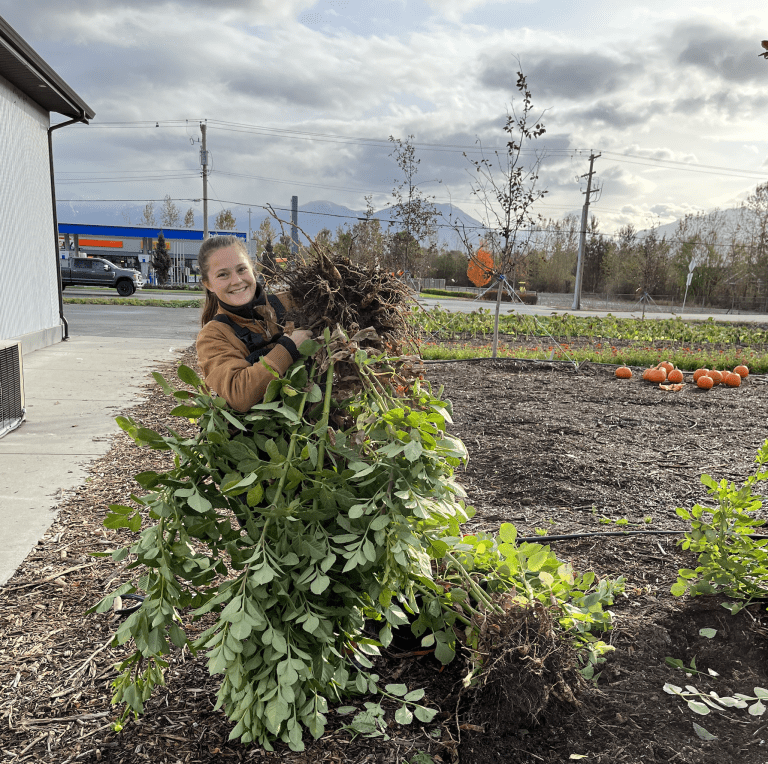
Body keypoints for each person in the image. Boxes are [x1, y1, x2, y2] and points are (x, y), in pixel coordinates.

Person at [195, 235, 313, 412]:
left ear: (253, 269)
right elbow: (239, 394)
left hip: (315, 430)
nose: (236, 280)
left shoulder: (290, 303)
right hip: (259, 437)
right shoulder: (213, 335)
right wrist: (288, 348)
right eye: (223, 274)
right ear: (208, 284)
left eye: (241, 269)